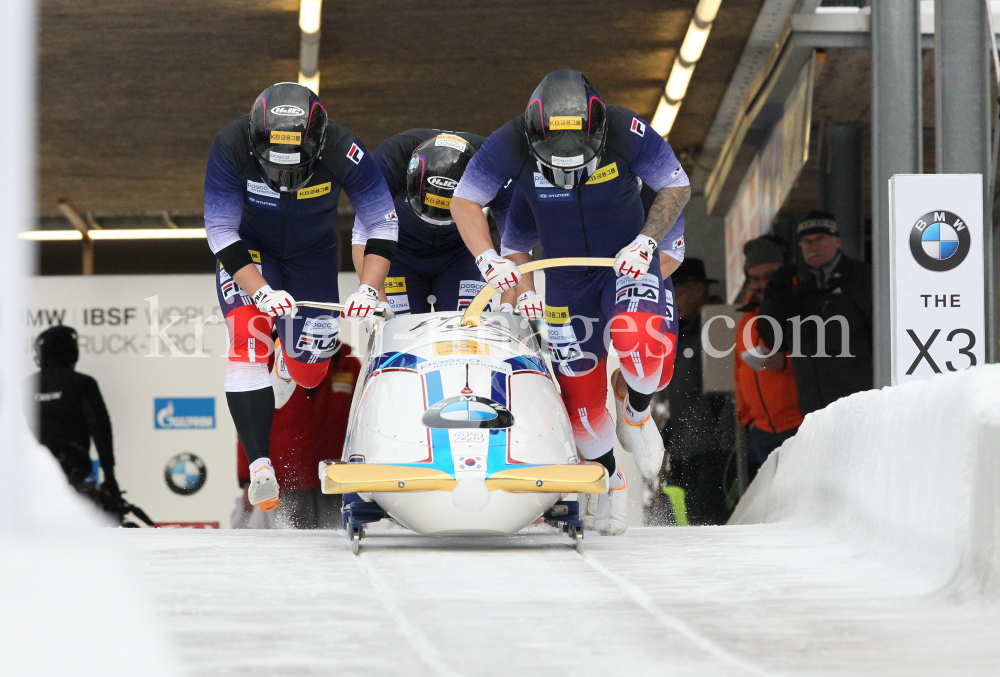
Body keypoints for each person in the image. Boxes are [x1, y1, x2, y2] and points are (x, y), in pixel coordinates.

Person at [451, 69, 690, 535]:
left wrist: (645, 242)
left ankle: (637, 410)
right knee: (581, 402)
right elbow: (468, 202)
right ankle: (609, 477)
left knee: (640, 341)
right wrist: (491, 263)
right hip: (565, 280)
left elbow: (676, 186)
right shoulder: (510, 143)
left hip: (629, 259)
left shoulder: (625, 129)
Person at [204, 82, 398, 513]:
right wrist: (261, 291)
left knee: (311, 373)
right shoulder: (231, 144)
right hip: (250, 252)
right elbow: (220, 231)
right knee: (245, 336)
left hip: (311, 257)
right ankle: (260, 467)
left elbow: (382, 223)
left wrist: (369, 286)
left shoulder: (346, 150)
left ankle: (286, 363)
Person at [353, 129, 515, 315]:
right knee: (396, 329)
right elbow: (362, 235)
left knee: (467, 329)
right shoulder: (391, 157)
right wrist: (375, 297)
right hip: (401, 252)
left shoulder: (494, 164)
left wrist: (508, 304)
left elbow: (514, 242)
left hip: (462, 252)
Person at [757, 210, 873, 415]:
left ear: (838, 241)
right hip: (814, 410)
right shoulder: (796, 287)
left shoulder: (863, 277)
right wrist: (775, 293)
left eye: (821, 239)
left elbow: (884, 337)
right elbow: (773, 339)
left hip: (862, 405)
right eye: (807, 242)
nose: (814, 247)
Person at [234, 344, 361, 529]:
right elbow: (248, 423)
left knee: (336, 546)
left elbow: (362, 419)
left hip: (337, 479)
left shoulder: (347, 364)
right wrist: (248, 478)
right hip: (285, 481)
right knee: (290, 548)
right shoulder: (265, 363)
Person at [661, 258, 736, 525]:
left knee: (708, 521)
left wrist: (722, 443)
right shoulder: (684, 332)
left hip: (714, 450)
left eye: (677, 292)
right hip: (687, 446)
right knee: (689, 518)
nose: (672, 301)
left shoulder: (718, 326)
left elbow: (725, 394)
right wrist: (673, 426)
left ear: (699, 290)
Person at [24, 325, 122, 512]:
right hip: (73, 474)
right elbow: (100, 429)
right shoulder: (83, 384)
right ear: (73, 353)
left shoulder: (24, 385)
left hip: (29, 475)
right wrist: (109, 476)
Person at [734, 238, 803, 479]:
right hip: (762, 431)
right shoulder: (745, 320)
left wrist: (786, 362)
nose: (763, 283)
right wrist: (748, 419)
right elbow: (739, 371)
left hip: (798, 424)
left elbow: (819, 357)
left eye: (770, 275)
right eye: (755, 278)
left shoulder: (799, 305)